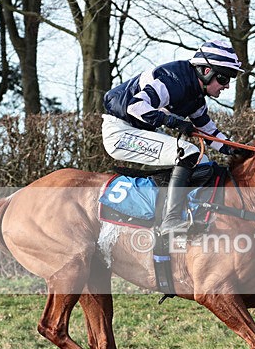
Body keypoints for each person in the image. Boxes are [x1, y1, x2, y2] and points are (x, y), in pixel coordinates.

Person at [102, 39, 243, 235]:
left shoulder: (195, 96)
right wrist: (174, 122)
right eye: (224, 78)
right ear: (206, 71)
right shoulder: (174, 80)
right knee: (188, 151)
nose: (227, 86)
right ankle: (171, 219)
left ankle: (179, 211)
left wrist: (234, 149)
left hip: (138, 131)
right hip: (120, 133)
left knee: (203, 161)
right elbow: (135, 106)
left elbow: (208, 131)